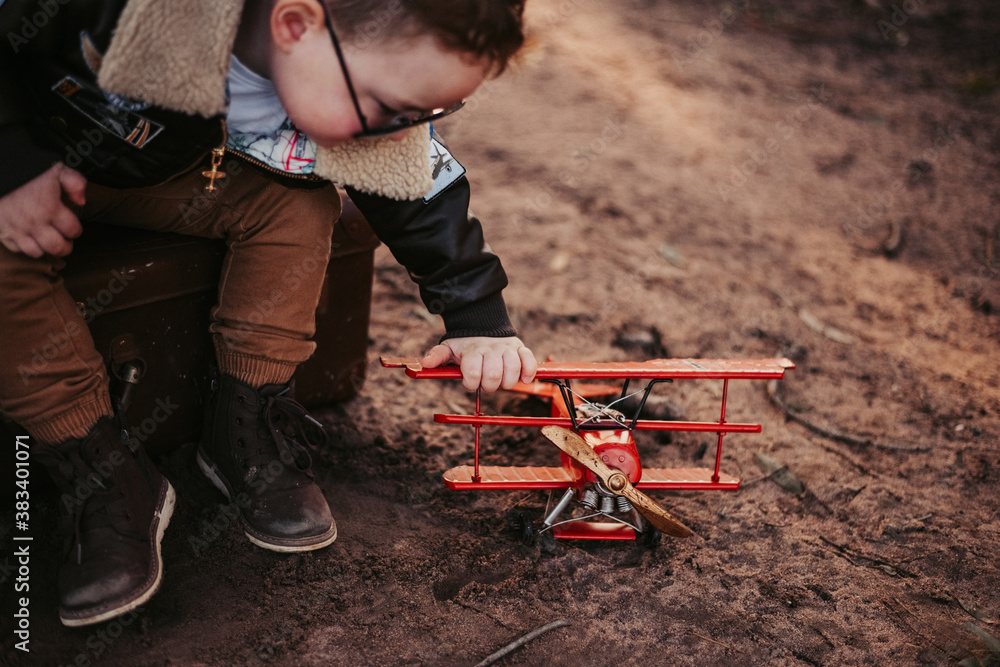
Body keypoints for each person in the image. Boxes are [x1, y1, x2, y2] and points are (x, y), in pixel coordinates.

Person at [0, 0, 536, 627]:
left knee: (300, 206)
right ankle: (103, 468)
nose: (401, 130)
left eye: (430, 114)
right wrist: (15, 165)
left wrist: (475, 317)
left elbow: (416, 184)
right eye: (391, 108)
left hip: (171, 176)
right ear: (294, 25)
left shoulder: (356, 79)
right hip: (43, 168)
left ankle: (245, 425)